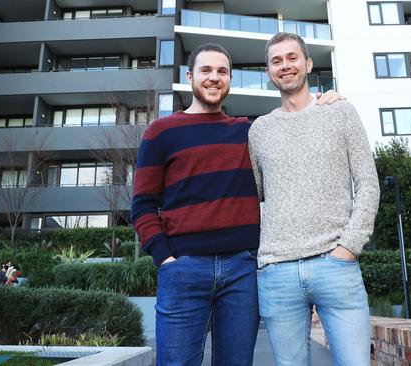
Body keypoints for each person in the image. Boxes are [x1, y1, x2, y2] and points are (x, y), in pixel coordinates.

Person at [130, 42, 344, 366]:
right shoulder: (160, 132)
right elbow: (143, 206)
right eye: (206, 70)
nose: (214, 78)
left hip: (242, 272)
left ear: (230, 78)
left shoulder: (249, 132)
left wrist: (323, 105)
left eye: (222, 71)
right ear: (190, 77)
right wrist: (166, 259)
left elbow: (296, 144)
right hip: (183, 269)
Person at [248, 32, 381, 366]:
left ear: (307, 63)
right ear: (268, 72)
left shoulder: (340, 112)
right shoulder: (259, 131)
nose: (285, 66)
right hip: (277, 273)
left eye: (292, 57)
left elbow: (368, 183)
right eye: (276, 61)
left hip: (335, 265)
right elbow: (255, 197)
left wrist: (349, 247)